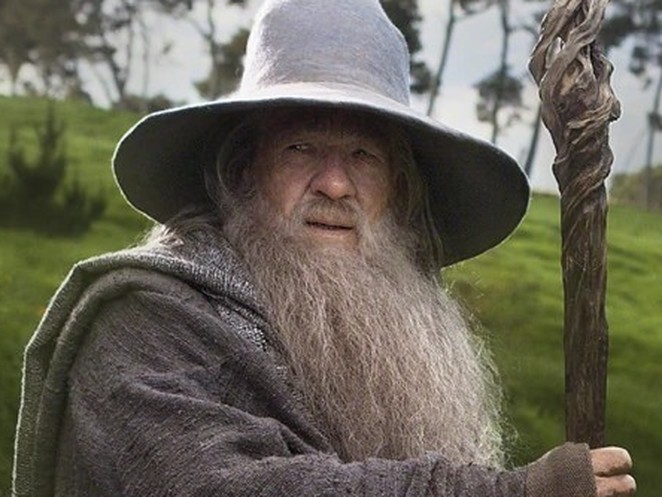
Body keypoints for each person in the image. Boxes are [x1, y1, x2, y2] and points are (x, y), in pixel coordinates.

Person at [13, 0, 636, 496]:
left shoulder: (394, 339)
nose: (335, 184)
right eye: (300, 148)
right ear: (243, 169)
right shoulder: (146, 320)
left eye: (363, 156)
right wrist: (514, 493)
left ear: (397, 188)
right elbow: (221, 486)